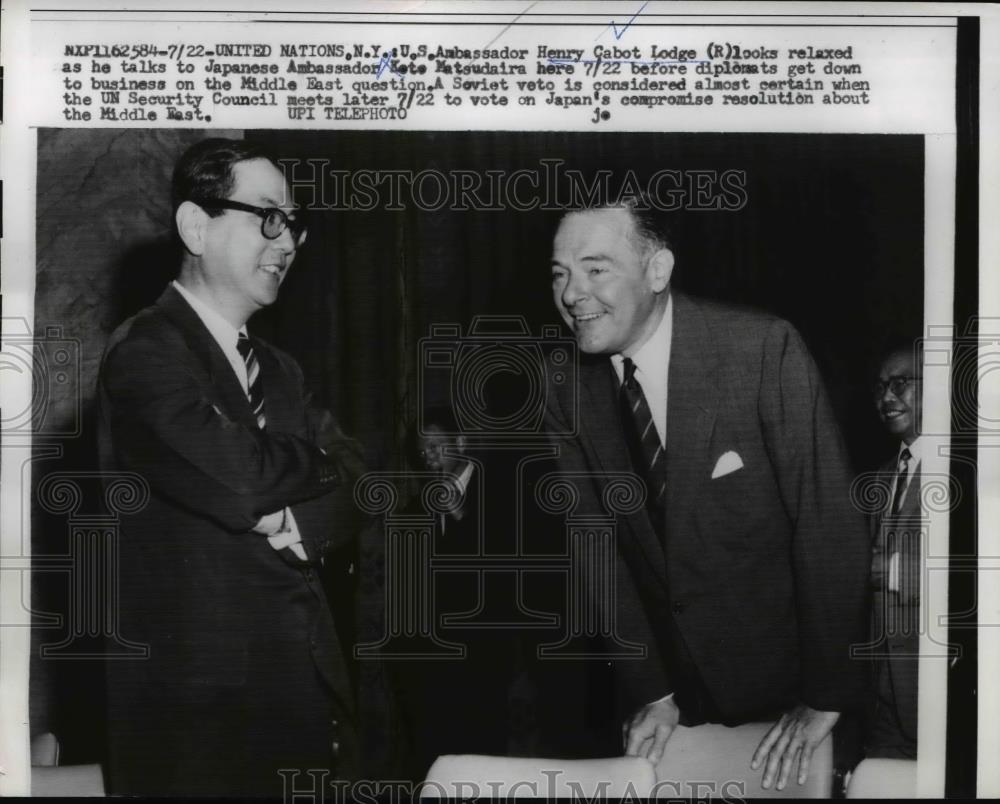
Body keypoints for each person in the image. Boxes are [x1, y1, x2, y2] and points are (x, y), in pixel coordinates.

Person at [543, 196, 870, 790]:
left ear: (659, 271)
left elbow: (828, 526)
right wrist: (655, 690)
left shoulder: (761, 349)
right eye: (560, 273)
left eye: (596, 269)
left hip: (793, 698)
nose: (571, 293)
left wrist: (826, 695)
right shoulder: (562, 386)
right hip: (674, 701)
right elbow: (596, 554)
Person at [97, 138, 365, 796]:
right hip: (193, 731)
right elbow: (237, 475)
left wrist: (299, 511)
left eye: (294, 222)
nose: (289, 240)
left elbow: (365, 481)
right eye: (268, 216)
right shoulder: (144, 352)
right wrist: (315, 467)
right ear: (195, 225)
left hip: (301, 705)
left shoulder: (282, 370)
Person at [389, 407, 511, 780]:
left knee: (480, 771)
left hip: (486, 665)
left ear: (461, 442)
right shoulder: (413, 512)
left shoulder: (504, 494)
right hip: (428, 674)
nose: (428, 458)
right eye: (422, 452)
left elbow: (513, 576)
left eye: (436, 447)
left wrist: (463, 519)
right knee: (432, 771)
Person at [865, 342, 923, 758]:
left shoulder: (971, 469)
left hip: (943, 700)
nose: (887, 397)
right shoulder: (879, 477)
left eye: (901, 383)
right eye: (882, 386)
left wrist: (894, 570)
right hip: (881, 699)